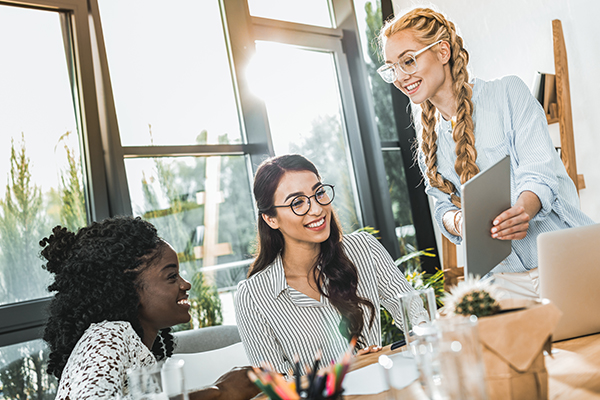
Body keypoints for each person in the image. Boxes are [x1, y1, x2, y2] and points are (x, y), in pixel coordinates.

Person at [377, 7, 595, 297]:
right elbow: (442, 208)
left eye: (408, 61)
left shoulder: (508, 94)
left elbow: (539, 174)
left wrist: (522, 212)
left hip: (568, 260)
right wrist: (458, 222)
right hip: (504, 284)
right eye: (392, 68)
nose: (401, 77)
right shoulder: (428, 142)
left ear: (443, 51)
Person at [234, 154, 418, 376]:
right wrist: (343, 373)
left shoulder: (364, 249)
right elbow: (279, 387)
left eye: (319, 193)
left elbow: (415, 314)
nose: (317, 209)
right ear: (270, 219)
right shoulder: (253, 297)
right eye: (297, 202)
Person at [40, 216, 259, 400]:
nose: (186, 285)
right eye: (172, 276)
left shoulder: (140, 351)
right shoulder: (107, 336)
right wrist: (219, 392)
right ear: (126, 289)